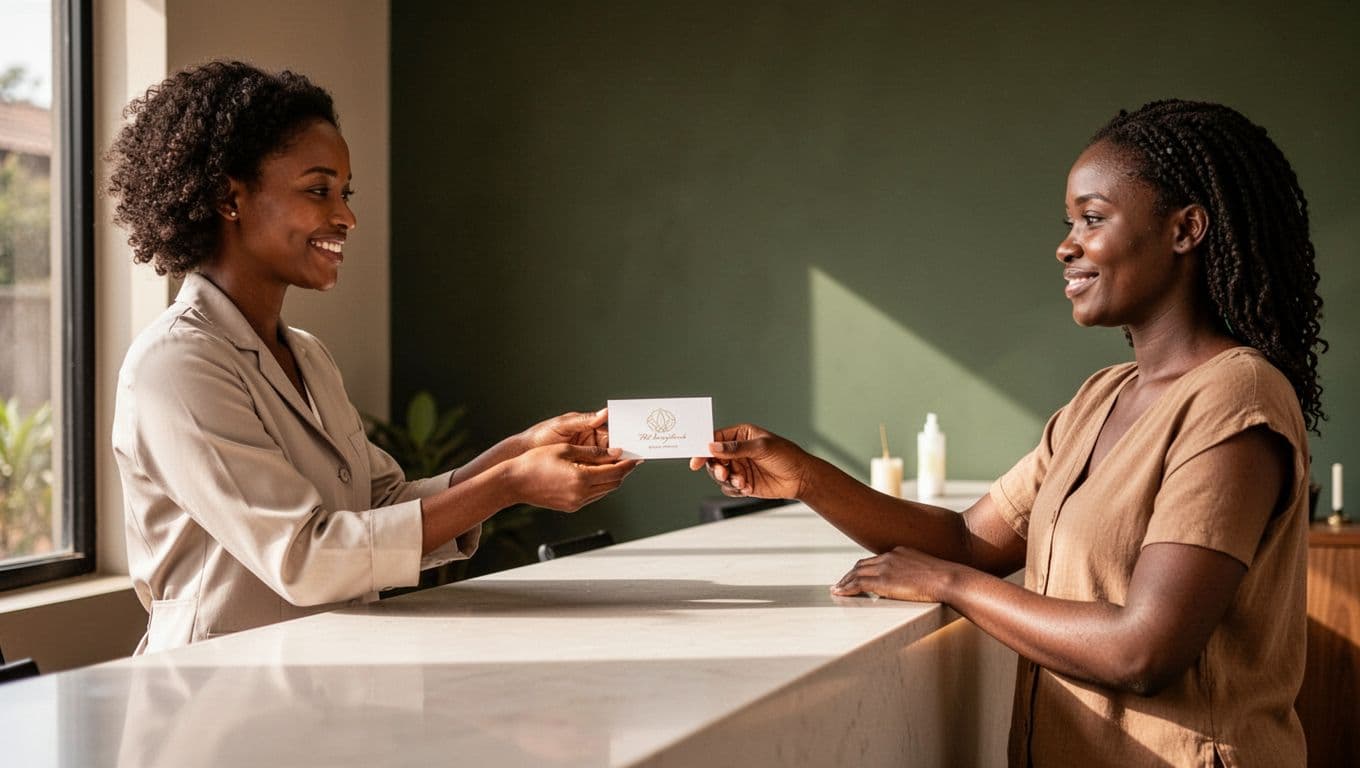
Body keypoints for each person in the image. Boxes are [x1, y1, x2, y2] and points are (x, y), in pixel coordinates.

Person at [692, 100, 1322, 767]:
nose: (1065, 244)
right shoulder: (1099, 399)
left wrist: (949, 586)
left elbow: (1145, 649)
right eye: (1069, 222)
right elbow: (967, 540)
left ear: (1185, 229)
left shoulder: (1236, 396)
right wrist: (804, 477)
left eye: (1093, 218)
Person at [106, 61, 641, 654]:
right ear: (228, 198)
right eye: (318, 190)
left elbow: (380, 507)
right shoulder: (175, 366)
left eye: (345, 193)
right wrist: (509, 484)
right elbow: (305, 557)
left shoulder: (306, 356)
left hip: (324, 682)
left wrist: (517, 452)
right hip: (212, 706)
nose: (346, 217)